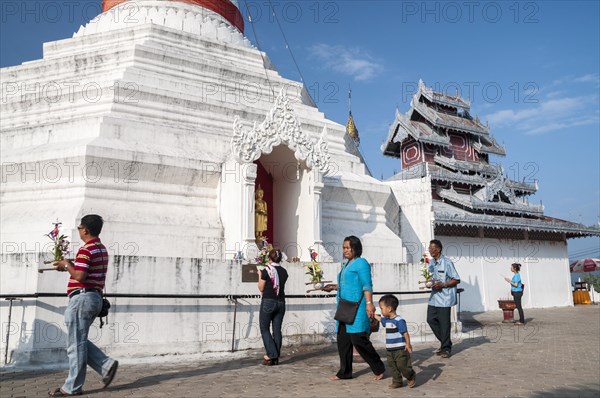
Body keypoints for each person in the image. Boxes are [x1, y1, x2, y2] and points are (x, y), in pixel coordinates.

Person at [50, 215, 118, 396]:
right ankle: (106, 365)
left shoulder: (86, 249)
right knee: (77, 340)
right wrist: (69, 266)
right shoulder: (101, 248)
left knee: (75, 344)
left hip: (82, 298)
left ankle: (72, 387)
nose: (79, 230)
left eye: (80, 228)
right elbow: (82, 271)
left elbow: (79, 276)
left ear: (85, 230)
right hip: (93, 298)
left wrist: (66, 265)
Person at [322, 235, 385, 381]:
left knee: (359, 339)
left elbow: (366, 285)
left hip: (357, 308)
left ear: (355, 248)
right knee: (343, 340)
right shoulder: (346, 264)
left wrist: (369, 304)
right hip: (344, 307)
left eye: (347, 248)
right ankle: (345, 372)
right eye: (343, 248)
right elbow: (348, 284)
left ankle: (378, 367)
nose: (344, 250)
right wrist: (334, 287)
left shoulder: (361, 263)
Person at [373, 295, 417, 389]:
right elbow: (380, 319)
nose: (380, 311)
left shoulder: (399, 321)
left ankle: (410, 376)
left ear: (389, 308)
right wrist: (373, 315)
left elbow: (405, 333)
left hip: (400, 349)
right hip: (389, 350)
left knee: (402, 366)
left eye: (381, 308)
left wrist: (408, 344)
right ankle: (397, 382)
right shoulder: (387, 320)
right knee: (392, 366)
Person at [426, 239, 460, 359]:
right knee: (430, 319)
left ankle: (446, 348)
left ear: (439, 249)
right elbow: (429, 276)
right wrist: (428, 282)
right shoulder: (431, 263)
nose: (430, 250)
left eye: (433, 248)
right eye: (430, 248)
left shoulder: (447, 262)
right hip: (434, 297)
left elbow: (456, 279)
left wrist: (443, 284)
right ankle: (446, 342)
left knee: (444, 324)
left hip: (445, 298)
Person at [258, 248, 288, 365]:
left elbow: (261, 288)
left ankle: (271, 354)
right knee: (277, 330)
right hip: (281, 302)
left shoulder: (267, 270)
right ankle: (275, 357)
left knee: (264, 328)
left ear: (269, 259)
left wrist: (260, 275)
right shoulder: (284, 272)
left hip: (268, 301)